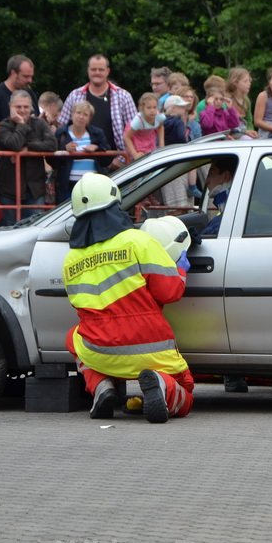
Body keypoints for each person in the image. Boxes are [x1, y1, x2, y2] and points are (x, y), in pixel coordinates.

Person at [63, 173, 194, 423]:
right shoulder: (138, 241)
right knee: (185, 391)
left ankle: (101, 386)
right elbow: (169, 292)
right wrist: (180, 269)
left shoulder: (70, 260)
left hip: (99, 351)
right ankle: (161, 384)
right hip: (152, 349)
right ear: (115, 204)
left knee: (73, 336)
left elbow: (80, 306)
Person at [57, 54, 135, 167]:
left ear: (108, 71)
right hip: (78, 163)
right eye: (93, 69)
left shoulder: (123, 96)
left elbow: (134, 132)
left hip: (117, 164)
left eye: (101, 69)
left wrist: (122, 158)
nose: (97, 72)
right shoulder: (74, 95)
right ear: (88, 70)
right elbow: (62, 128)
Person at [0, 90, 57, 226]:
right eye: (18, 107)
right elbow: (14, 144)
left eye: (26, 107)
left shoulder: (39, 124)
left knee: (36, 227)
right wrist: (22, 124)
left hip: (35, 188)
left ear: (31, 107)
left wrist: (29, 147)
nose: (23, 110)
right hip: (9, 188)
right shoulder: (4, 126)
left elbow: (52, 145)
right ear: (10, 106)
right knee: (11, 228)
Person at [50, 101, 113, 205]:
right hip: (67, 185)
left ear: (89, 118)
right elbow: (52, 161)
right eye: (78, 113)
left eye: (85, 114)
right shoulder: (61, 133)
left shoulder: (97, 133)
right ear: (72, 114)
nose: (81, 117)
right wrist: (64, 149)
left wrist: (97, 149)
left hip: (93, 185)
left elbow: (106, 159)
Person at [0, 55, 38, 142]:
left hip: (29, 150)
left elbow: (35, 120)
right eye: (26, 76)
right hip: (2, 151)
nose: (30, 80)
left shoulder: (30, 93)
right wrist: (17, 125)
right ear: (13, 73)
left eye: (31, 76)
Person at [124, 92, 166, 159]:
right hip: (136, 136)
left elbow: (160, 127)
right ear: (142, 108)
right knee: (140, 156)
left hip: (149, 135)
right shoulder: (138, 121)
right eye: (149, 108)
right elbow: (127, 137)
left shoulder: (159, 117)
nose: (152, 110)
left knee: (151, 154)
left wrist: (161, 145)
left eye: (154, 107)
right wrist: (134, 154)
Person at [226, 67, 255, 133]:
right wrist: (245, 132)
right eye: (245, 81)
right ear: (235, 82)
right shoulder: (227, 100)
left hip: (244, 132)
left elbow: (249, 121)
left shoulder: (246, 100)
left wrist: (251, 131)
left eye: (249, 81)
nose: (249, 83)